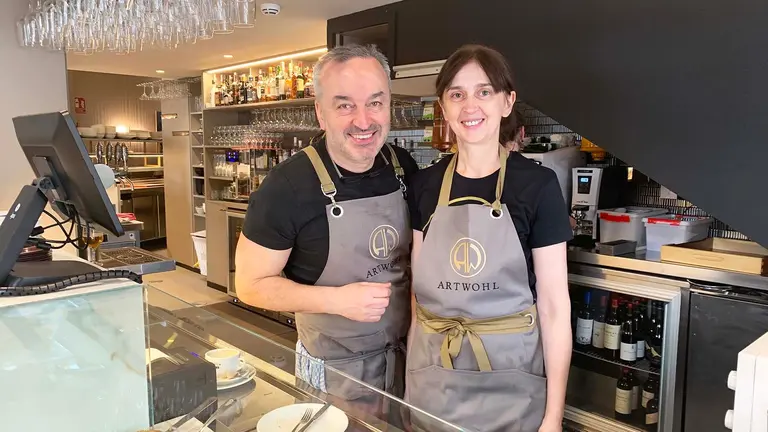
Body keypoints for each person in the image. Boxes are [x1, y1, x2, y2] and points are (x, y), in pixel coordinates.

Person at [235, 44, 419, 404]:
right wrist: (335, 300)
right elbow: (250, 285)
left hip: (409, 363)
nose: (364, 121)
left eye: (375, 103)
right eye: (345, 105)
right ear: (321, 112)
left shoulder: (403, 167)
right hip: (334, 371)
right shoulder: (287, 187)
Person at [405, 45, 573, 432]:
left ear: (506, 102)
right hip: (435, 378)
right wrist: (410, 384)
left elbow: (553, 307)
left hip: (511, 384)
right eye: (457, 94)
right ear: (443, 107)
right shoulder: (424, 185)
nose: (470, 106)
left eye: (484, 92)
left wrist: (553, 415)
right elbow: (417, 297)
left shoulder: (537, 185)